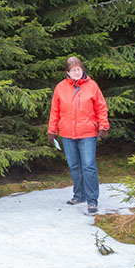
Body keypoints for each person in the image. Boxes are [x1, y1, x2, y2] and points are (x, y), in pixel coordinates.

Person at [47, 56, 109, 214]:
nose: (76, 72)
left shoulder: (92, 85)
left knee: (88, 166)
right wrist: (52, 130)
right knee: (74, 166)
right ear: (67, 72)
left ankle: (92, 200)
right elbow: (55, 110)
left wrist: (103, 126)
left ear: (82, 70)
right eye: (73, 70)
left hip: (87, 132)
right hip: (67, 133)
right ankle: (79, 195)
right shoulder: (60, 87)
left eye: (79, 69)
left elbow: (101, 107)